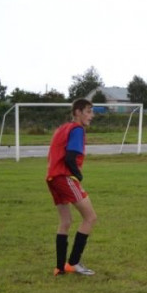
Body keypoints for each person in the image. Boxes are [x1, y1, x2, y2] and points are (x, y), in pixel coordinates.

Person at [46, 98, 98, 276]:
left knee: (66, 221)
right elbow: (70, 157)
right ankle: (74, 263)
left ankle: (60, 268)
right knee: (90, 217)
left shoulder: (62, 128)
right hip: (64, 177)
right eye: (88, 111)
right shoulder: (77, 129)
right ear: (77, 112)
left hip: (52, 178)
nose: (92, 115)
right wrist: (78, 175)